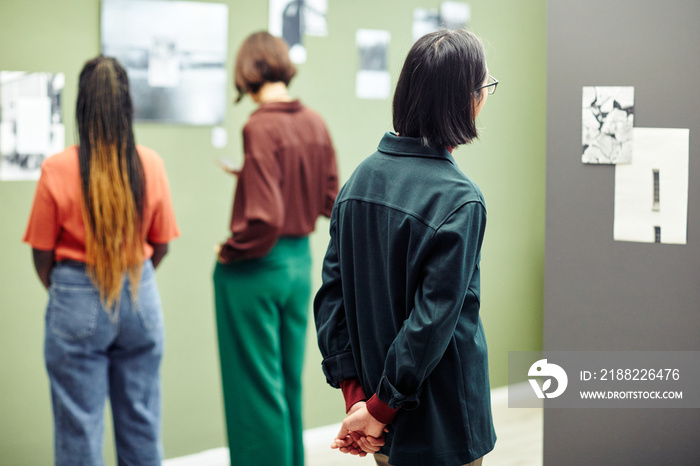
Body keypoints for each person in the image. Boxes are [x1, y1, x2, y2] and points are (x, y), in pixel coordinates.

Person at [314, 28, 498, 466]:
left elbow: (331, 298)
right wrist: (377, 410)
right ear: (465, 99)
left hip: (383, 422)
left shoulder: (359, 180)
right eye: (485, 86)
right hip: (443, 423)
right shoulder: (459, 199)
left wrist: (360, 399)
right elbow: (431, 322)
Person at [23, 55, 180, 465]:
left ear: (82, 106)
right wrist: (133, 277)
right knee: (142, 425)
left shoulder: (56, 169)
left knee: (78, 429)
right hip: (139, 293)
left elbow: (42, 254)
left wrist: (69, 290)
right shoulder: (152, 164)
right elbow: (160, 244)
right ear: (128, 104)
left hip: (74, 296)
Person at [213, 31, 338, 466]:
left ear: (247, 72)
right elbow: (329, 200)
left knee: (255, 392)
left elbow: (263, 218)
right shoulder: (315, 122)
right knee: (287, 383)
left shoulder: (259, 125)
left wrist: (229, 250)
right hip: (300, 266)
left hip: (257, 268)